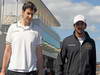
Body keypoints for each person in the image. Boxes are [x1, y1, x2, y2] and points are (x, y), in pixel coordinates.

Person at [0, 1, 43, 75]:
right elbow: (7, 51)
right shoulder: (12, 28)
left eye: (32, 14)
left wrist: (41, 70)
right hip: (13, 70)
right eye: (28, 13)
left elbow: (39, 53)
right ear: (22, 12)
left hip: (31, 71)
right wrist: (3, 71)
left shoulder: (37, 30)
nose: (30, 16)